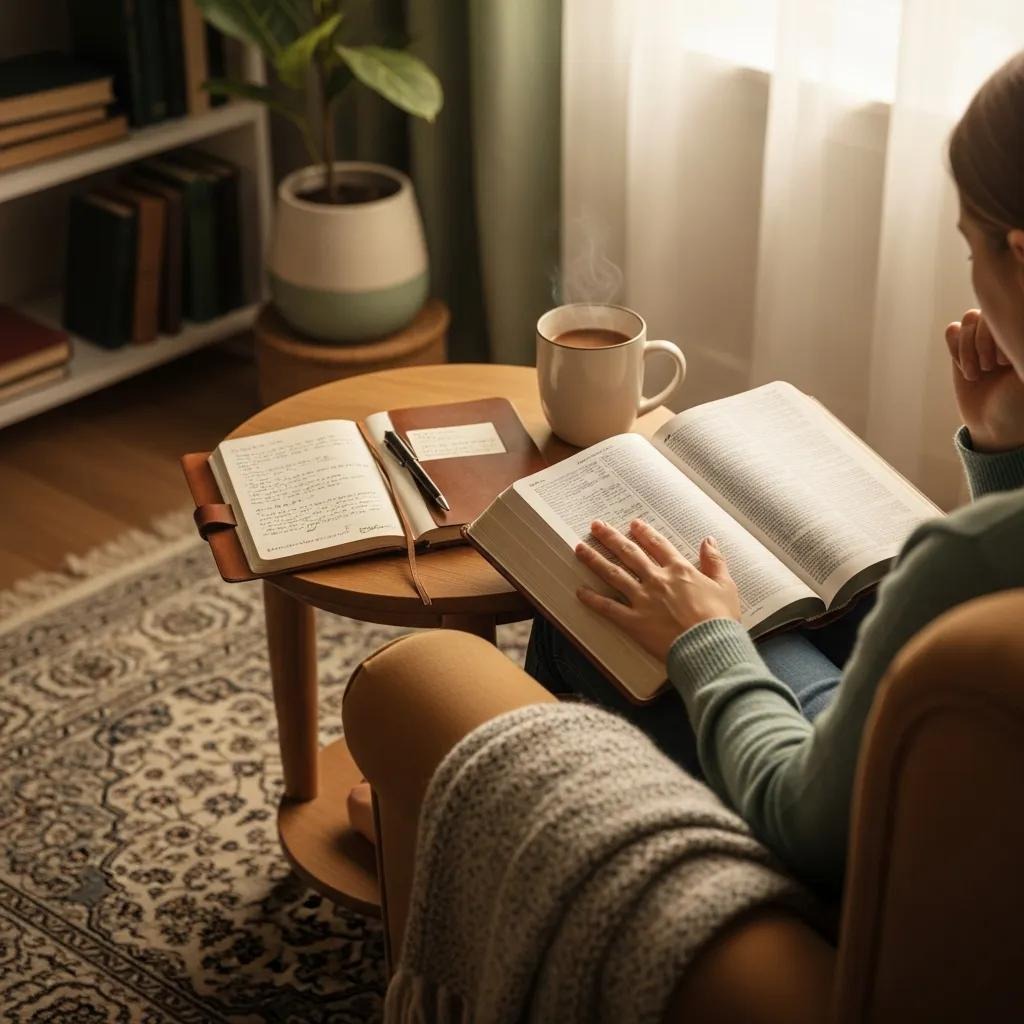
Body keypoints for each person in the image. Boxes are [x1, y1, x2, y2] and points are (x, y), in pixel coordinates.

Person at [347, 51, 1024, 889]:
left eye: (971, 250)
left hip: (856, 865)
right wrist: (1003, 450)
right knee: (768, 606)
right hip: (955, 803)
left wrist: (706, 642)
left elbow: (805, 821)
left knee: (591, 611)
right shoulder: (982, 556)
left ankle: (485, 860)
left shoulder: (961, 562)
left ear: (1020, 254)